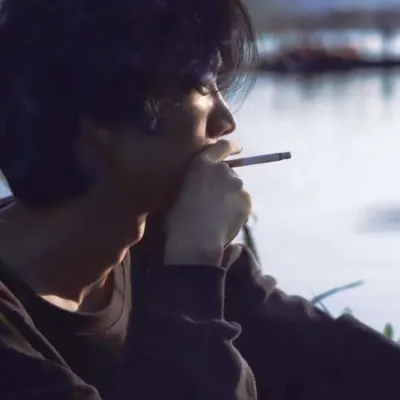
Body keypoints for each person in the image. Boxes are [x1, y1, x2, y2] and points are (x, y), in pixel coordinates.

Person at [0, 1, 399, 400]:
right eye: (202, 85)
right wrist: (193, 265)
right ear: (102, 115)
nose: (226, 122)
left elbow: (338, 359)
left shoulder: (155, 243)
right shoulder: (182, 256)